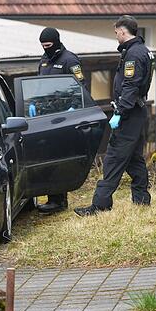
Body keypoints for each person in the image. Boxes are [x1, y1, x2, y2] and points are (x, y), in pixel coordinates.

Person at [74, 15, 153, 216]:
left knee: (113, 158)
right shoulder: (141, 50)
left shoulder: (134, 55)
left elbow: (130, 87)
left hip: (129, 114)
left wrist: (119, 112)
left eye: (116, 32)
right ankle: (142, 201)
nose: (116, 36)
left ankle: (99, 205)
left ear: (123, 31)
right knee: (134, 159)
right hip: (137, 112)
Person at [35, 27, 87, 214]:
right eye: (42, 46)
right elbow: (38, 85)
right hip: (45, 115)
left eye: (48, 45)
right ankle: (52, 197)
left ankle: (59, 200)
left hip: (64, 115)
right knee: (47, 157)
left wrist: (72, 109)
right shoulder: (43, 61)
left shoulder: (69, 60)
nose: (45, 48)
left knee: (58, 157)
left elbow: (80, 86)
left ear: (56, 42)